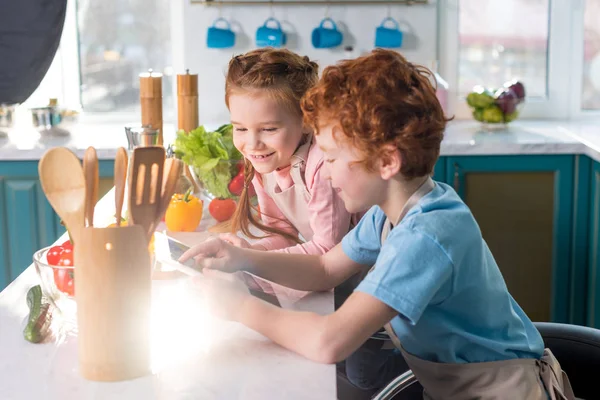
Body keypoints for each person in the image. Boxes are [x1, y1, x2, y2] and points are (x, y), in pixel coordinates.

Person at [181, 49, 574, 399]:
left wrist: (239, 307)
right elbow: (323, 268)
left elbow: (329, 343)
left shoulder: (425, 237)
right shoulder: (390, 213)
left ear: (387, 162)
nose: (327, 173)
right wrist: (240, 258)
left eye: (332, 158)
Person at [221, 48, 361, 258]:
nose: (252, 144)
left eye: (269, 129)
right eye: (240, 129)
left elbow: (327, 249)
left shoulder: (323, 164)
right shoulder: (264, 161)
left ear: (307, 121)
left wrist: (252, 261)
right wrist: (251, 252)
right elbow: (283, 234)